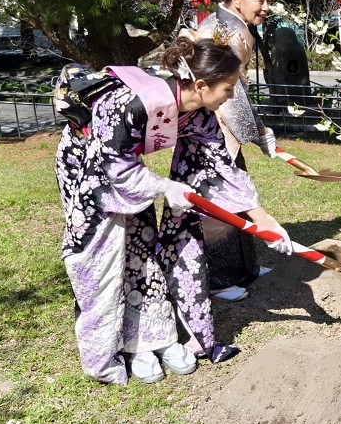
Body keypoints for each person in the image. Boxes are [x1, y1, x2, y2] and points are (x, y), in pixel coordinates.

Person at [54, 36, 242, 385]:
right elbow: (111, 166)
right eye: (229, 87)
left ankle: (153, 336)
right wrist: (164, 187)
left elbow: (223, 167)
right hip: (89, 172)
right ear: (200, 85)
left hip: (132, 177)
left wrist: (268, 224)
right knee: (103, 259)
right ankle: (107, 354)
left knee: (141, 248)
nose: (232, 95)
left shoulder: (198, 113)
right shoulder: (135, 102)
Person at [178, 0, 281, 302]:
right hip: (210, 128)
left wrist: (256, 130)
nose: (266, 7)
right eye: (260, 0)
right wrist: (257, 131)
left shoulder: (229, 24)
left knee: (238, 196)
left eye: (268, 0)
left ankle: (244, 269)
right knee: (216, 204)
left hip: (223, 126)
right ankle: (219, 278)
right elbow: (230, 93)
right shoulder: (230, 32)